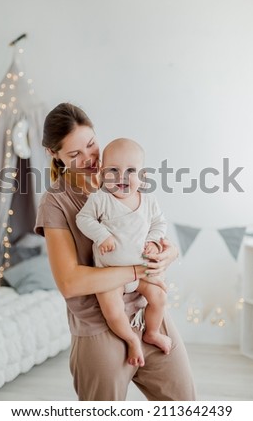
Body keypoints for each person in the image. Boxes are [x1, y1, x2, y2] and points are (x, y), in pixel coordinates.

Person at [35, 102, 196, 401]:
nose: (89, 159)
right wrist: (137, 271)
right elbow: (70, 282)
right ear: (53, 154)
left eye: (91, 144)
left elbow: (151, 229)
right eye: (74, 154)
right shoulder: (55, 201)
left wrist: (167, 253)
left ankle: (147, 334)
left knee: (184, 403)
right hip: (99, 325)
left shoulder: (125, 176)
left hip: (146, 313)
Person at [76, 137, 171, 367]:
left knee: (159, 297)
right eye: (113, 170)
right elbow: (83, 219)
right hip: (111, 274)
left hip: (140, 272)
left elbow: (159, 224)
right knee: (112, 309)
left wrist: (153, 241)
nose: (121, 177)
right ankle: (131, 339)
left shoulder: (148, 201)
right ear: (101, 172)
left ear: (143, 175)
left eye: (130, 170)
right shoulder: (101, 199)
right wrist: (102, 235)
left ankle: (152, 332)